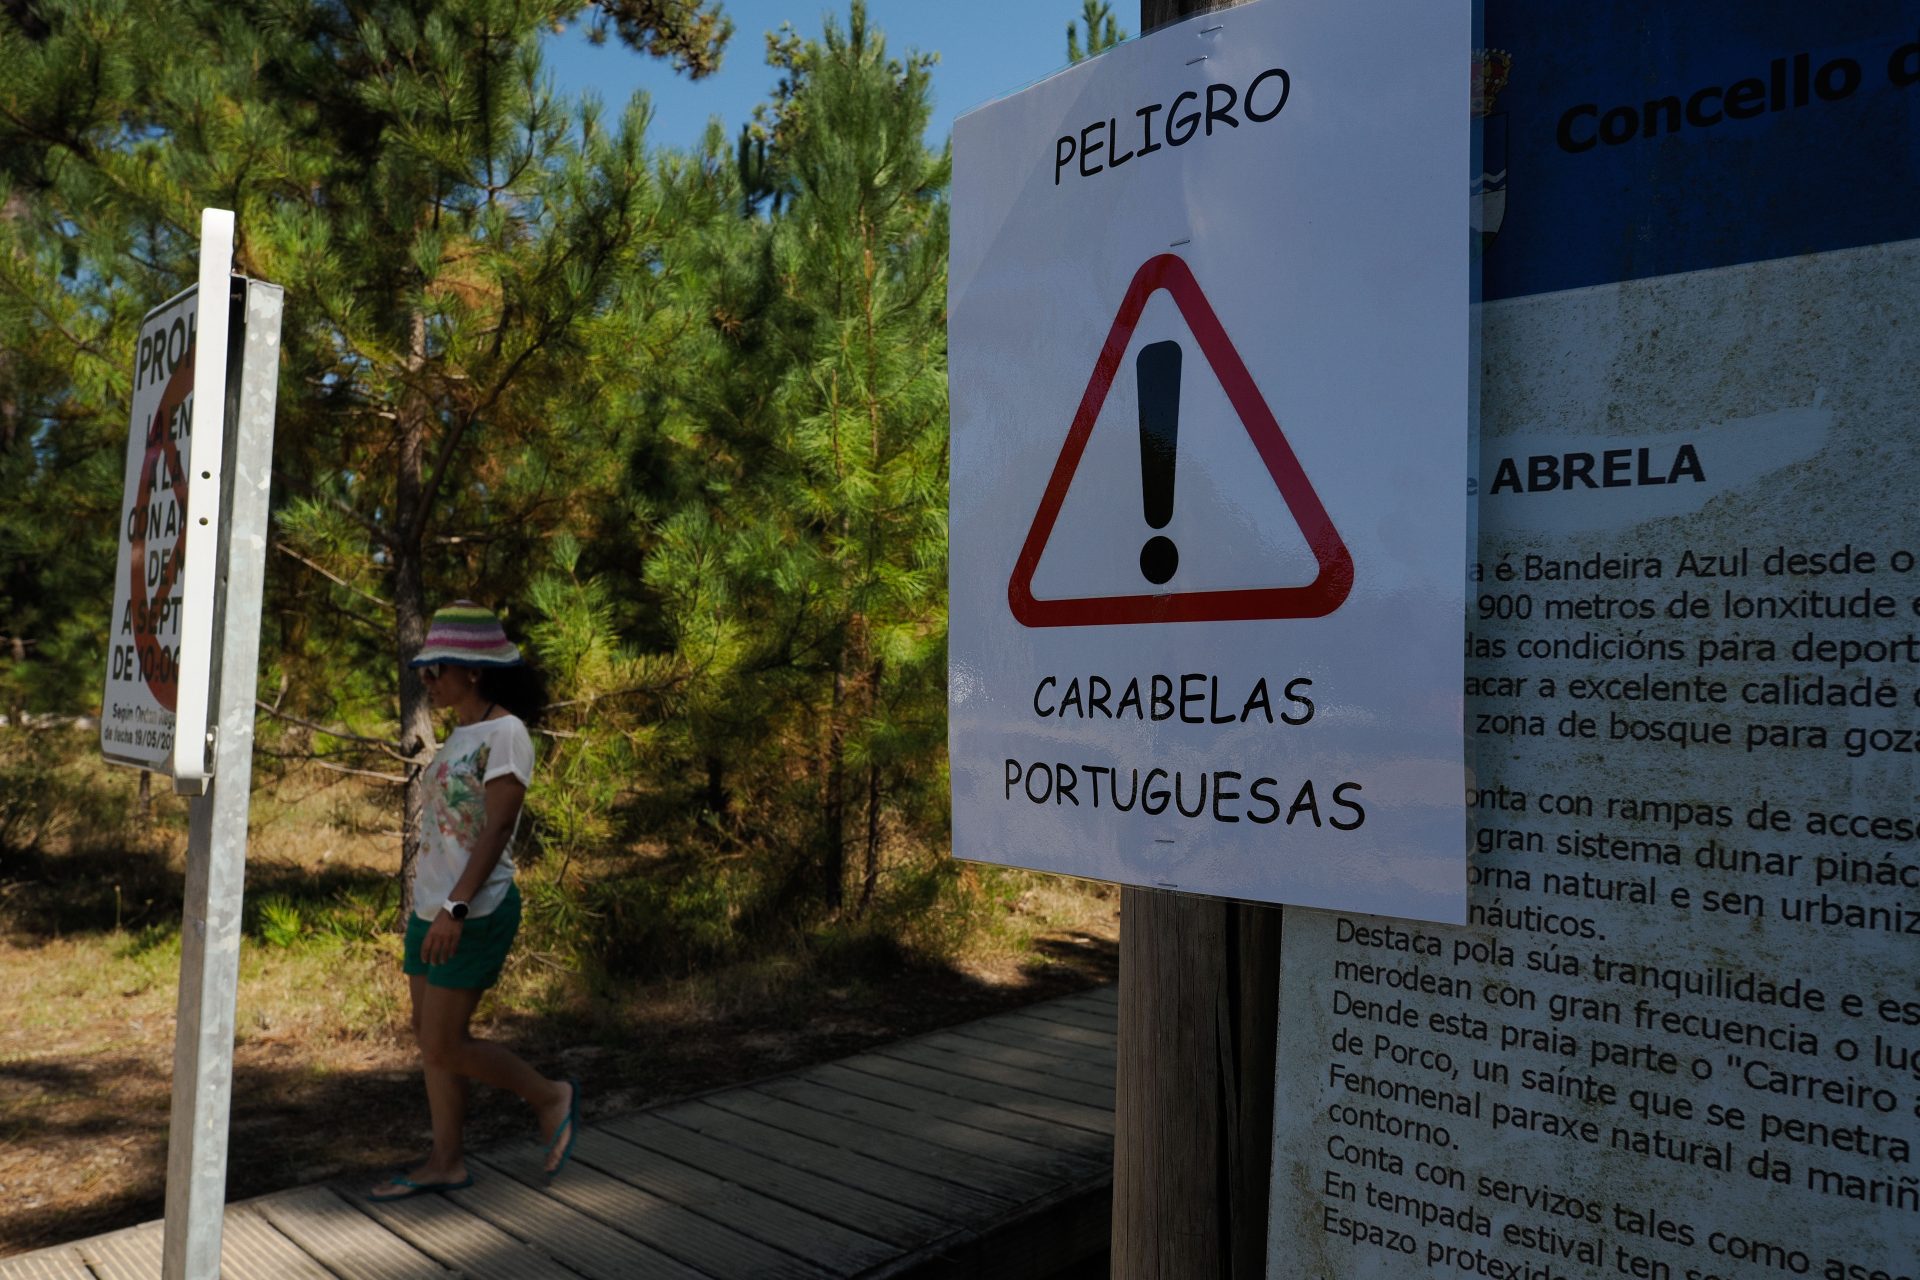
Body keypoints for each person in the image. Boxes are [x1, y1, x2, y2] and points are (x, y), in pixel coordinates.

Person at [368, 601, 579, 1201]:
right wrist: (430, 906)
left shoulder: (506, 733)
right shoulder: (462, 733)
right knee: (429, 1039)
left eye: (438, 667)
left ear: (475, 671)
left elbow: (495, 831)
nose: (427, 679)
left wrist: (456, 909)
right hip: (431, 908)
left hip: (473, 910)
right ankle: (446, 1161)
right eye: (425, 668)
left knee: (444, 1042)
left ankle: (550, 1096)